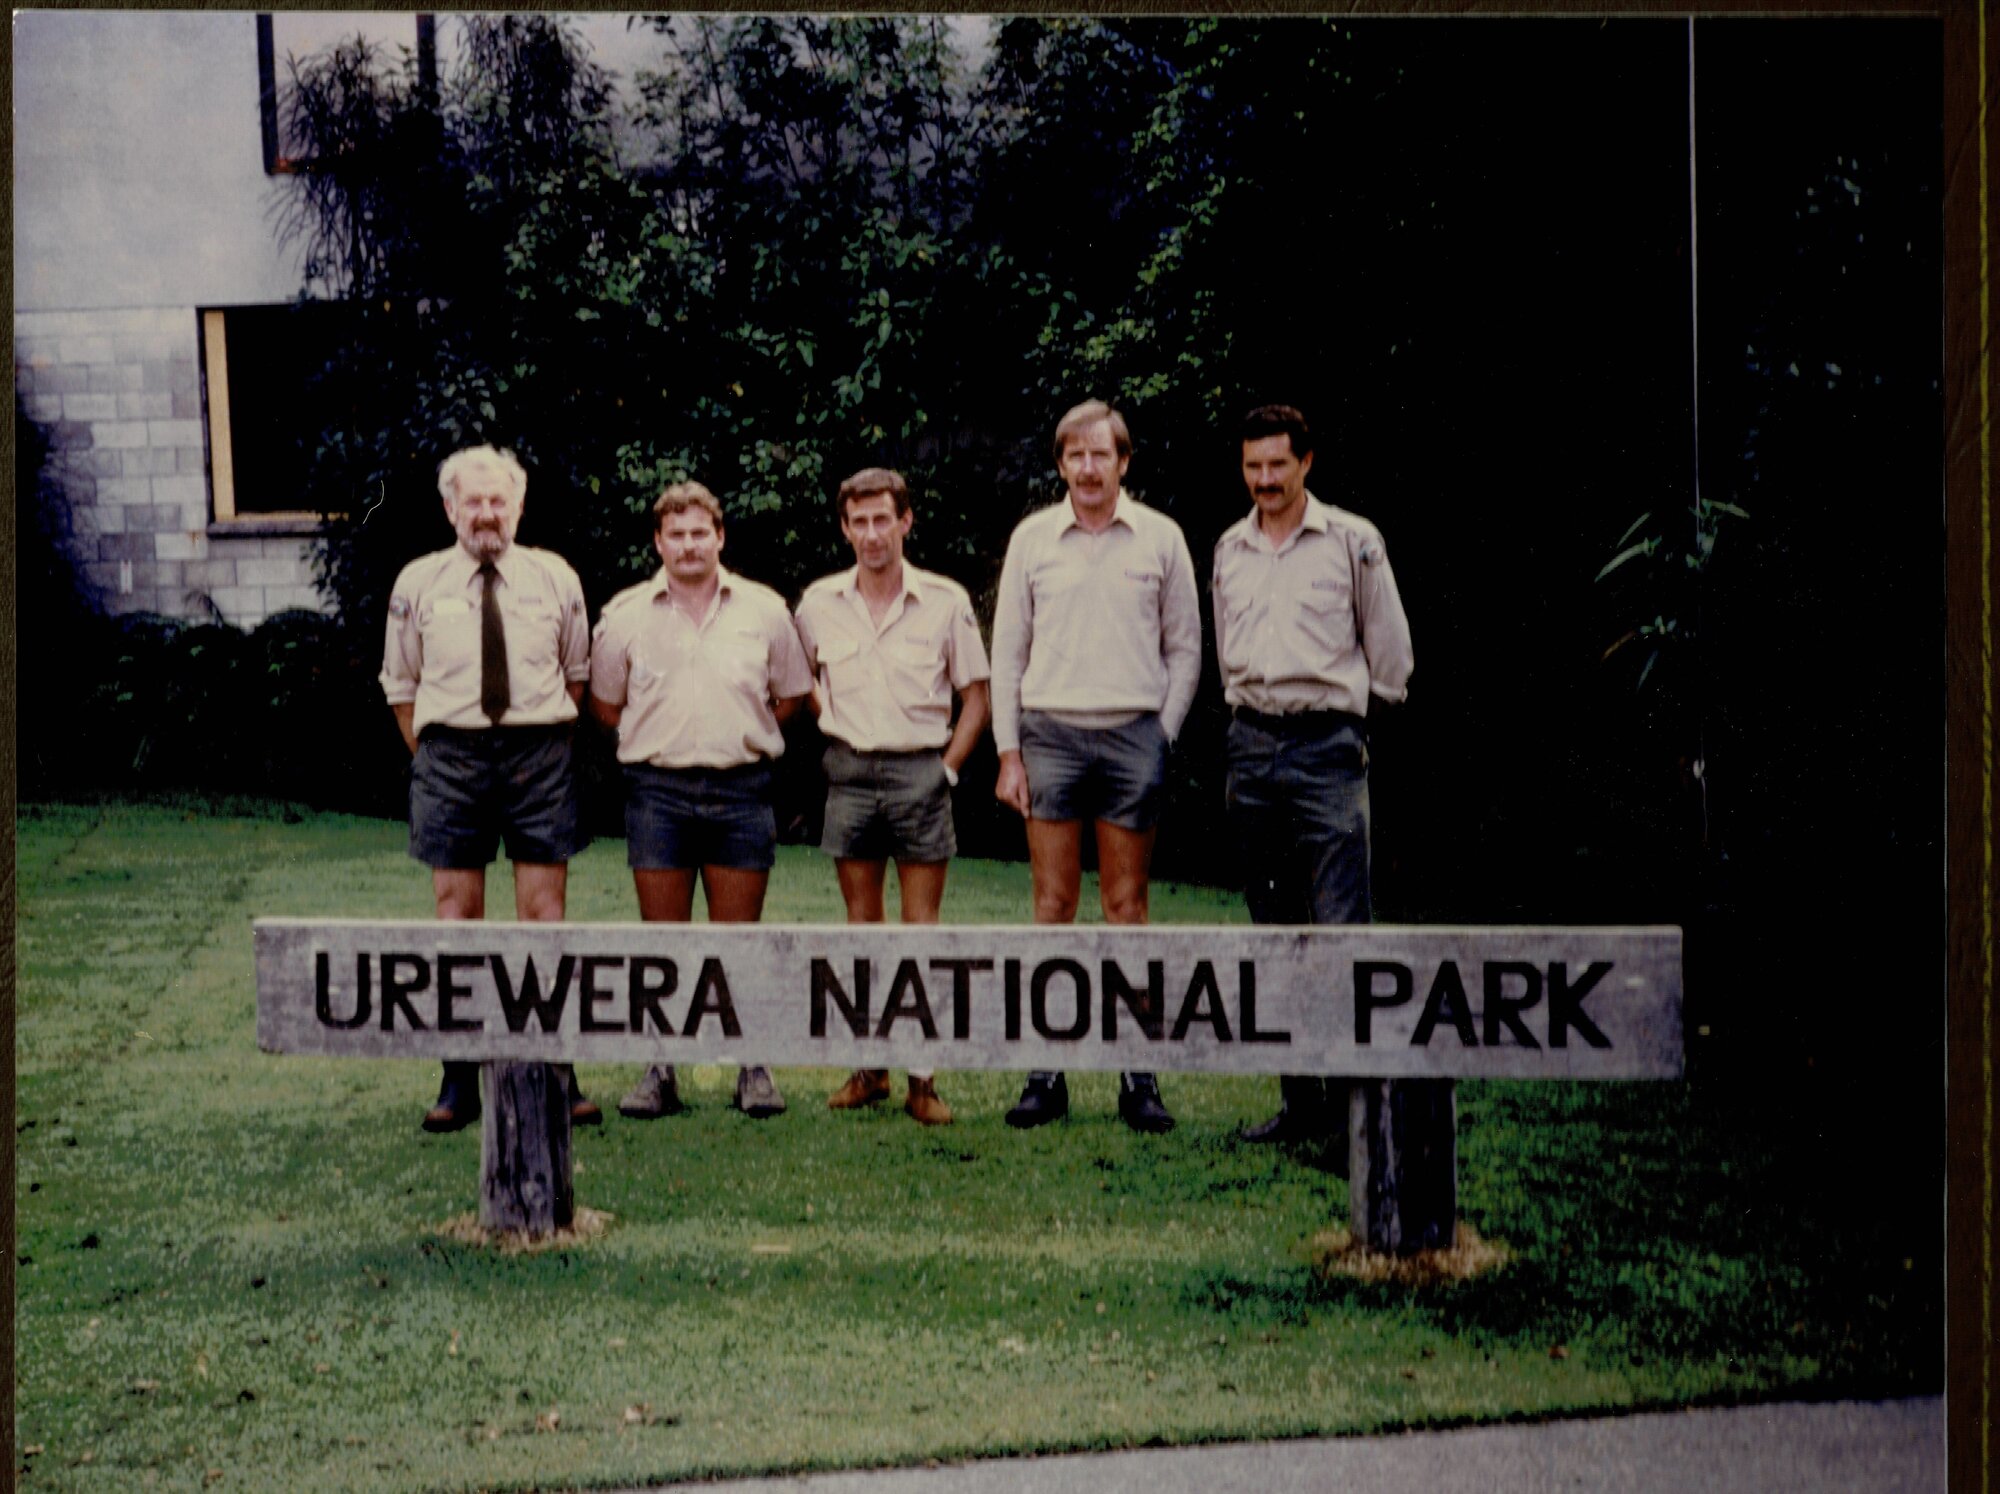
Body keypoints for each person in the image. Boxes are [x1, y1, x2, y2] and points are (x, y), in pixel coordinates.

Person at [990, 400, 1201, 1132]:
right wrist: (1009, 751)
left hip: (1129, 738)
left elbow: (1185, 649)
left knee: (1127, 909)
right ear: (1060, 465)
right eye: (1074, 456)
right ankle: (1044, 1075)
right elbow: (1008, 652)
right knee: (1052, 908)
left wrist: (1160, 736)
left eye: (1100, 455)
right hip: (1050, 735)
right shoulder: (1032, 540)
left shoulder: (1161, 539)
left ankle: (1137, 1075)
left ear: (1124, 462)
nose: (1087, 468)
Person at [380, 444, 601, 1133]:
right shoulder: (416, 582)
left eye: (497, 500)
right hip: (451, 756)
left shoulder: (555, 577)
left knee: (545, 917)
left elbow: (575, 673)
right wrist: (445, 751)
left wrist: (530, 742)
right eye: (472, 501)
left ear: (519, 505)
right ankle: (458, 1078)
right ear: (450, 508)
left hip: (538, 750)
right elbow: (402, 686)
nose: (485, 513)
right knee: (456, 917)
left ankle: (554, 1073)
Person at [1211, 404, 1413, 1143]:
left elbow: (1390, 659)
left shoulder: (1353, 543)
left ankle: (1355, 1117)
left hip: (1328, 747)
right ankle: (1301, 1105)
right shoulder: (1229, 548)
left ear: (1307, 463)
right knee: (1274, 931)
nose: (1264, 480)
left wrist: (1351, 729)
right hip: (1252, 747)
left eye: (1277, 465)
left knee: (1338, 933)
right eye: (1252, 466)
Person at [589, 482, 814, 1121]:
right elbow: (605, 705)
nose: (689, 546)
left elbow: (791, 695)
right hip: (656, 791)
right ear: (658, 543)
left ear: (720, 536)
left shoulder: (765, 610)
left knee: (739, 942)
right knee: (664, 943)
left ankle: (754, 1067)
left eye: (700, 533)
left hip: (742, 788)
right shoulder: (626, 614)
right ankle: (661, 1068)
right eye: (676, 535)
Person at [795, 468, 992, 1126]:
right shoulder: (819, 601)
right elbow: (799, 682)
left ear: (906, 521)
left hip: (920, 773)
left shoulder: (944, 600)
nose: (872, 534)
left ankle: (923, 1077)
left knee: (921, 931)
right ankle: (868, 1068)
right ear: (845, 527)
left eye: (884, 520)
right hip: (849, 772)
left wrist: (949, 770)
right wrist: (836, 721)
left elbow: (977, 698)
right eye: (860, 522)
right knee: (861, 927)